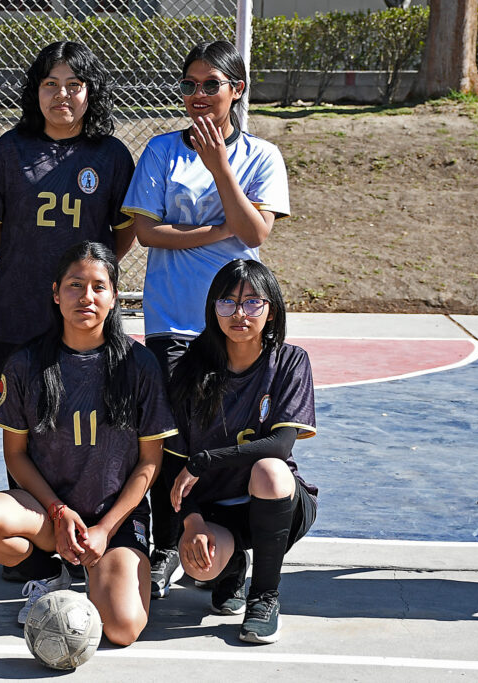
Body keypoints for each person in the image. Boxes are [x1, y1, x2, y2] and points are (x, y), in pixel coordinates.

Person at [120, 40, 290, 599]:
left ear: (235, 90)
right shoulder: (162, 151)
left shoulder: (261, 156)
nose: (197, 95)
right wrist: (220, 231)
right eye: (189, 84)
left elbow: (258, 232)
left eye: (210, 84)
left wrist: (219, 168)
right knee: (172, 438)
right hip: (173, 320)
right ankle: (172, 542)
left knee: (228, 439)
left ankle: (230, 549)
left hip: (237, 322)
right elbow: (147, 233)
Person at [0, 241, 177, 647]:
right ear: (56, 293)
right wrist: (59, 512)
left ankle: (104, 569)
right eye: (75, 285)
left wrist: (103, 529)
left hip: (112, 521)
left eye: (99, 286)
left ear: (115, 297)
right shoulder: (26, 363)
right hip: (48, 514)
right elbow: (16, 454)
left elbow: (150, 463)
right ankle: (46, 573)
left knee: (122, 628)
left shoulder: (138, 364)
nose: (87, 297)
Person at [166, 259, 317, 645]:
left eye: (252, 303)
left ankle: (264, 596)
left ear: (272, 311)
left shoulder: (289, 361)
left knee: (269, 469)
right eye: (227, 302)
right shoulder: (189, 369)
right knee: (197, 565)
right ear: (212, 308)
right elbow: (175, 463)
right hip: (217, 508)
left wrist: (207, 459)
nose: (238, 313)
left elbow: (282, 445)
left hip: (276, 502)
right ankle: (230, 566)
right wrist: (193, 523)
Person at [0, 41, 136, 386]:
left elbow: (125, 230)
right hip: (20, 303)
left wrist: (90, 269)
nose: (62, 94)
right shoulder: (10, 149)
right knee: (17, 412)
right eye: (50, 84)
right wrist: (26, 258)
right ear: (36, 91)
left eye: (74, 85)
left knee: (86, 406)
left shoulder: (112, 155)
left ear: (91, 92)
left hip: (84, 306)